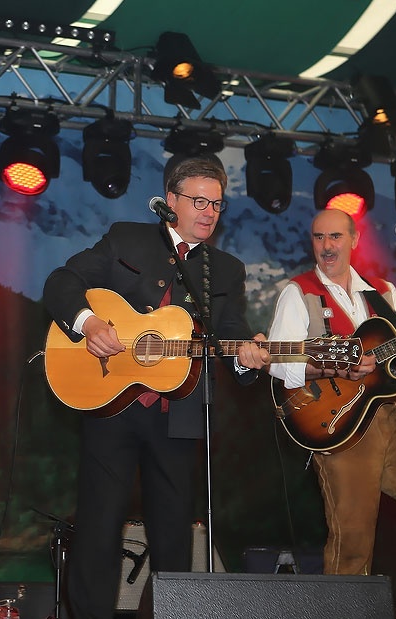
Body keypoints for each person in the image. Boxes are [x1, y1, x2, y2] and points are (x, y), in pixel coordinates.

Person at [42, 155, 270, 619]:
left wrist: (247, 356)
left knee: (174, 535)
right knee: (99, 526)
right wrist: (88, 323)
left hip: (179, 413)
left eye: (217, 204)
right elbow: (63, 281)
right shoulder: (127, 238)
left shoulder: (225, 269)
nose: (209, 212)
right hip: (112, 403)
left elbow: (231, 331)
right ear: (171, 200)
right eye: (199, 201)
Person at [266, 208, 396, 619]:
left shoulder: (382, 291)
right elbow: (276, 360)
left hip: (395, 413)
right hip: (340, 419)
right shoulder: (300, 291)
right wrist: (334, 367)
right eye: (319, 237)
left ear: (354, 240)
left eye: (335, 237)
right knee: (354, 532)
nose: (327, 246)